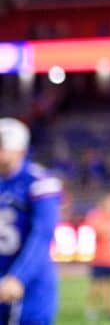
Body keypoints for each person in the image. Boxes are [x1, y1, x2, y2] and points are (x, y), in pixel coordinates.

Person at [0, 118, 61, 325]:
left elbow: (42, 234)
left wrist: (19, 276)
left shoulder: (39, 182)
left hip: (30, 282)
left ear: (18, 148)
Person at [84, 193, 110, 321]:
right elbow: (101, 231)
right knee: (95, 287)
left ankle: (109, 310)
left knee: (109, 287)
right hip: (98, 258)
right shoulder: (97, 216)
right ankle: (91, 309)